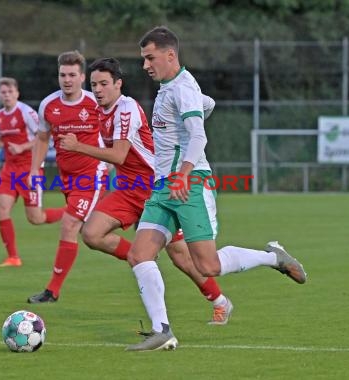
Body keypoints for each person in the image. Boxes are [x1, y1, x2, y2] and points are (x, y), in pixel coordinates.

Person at [125, 26, 307, 351]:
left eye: (150, 57)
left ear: (170, 55)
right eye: (143, 59)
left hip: (189, 184)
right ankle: (161, 330)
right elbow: (206, 103)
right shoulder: (174, 88)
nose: (145, 65)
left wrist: (183, 173)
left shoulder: (181, 88)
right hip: (163, 187)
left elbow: (199, 137)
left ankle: (272, 257)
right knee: (139, 255)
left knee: (208, 266)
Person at [59, 57, 233, 325]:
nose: (98, 89)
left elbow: (118, 155)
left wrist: (77, 147)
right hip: (129, 188)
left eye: (104, 83)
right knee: (92, 234)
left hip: (155, 186)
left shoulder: (126, 108)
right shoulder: (98, 110)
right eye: (94, 84)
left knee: (182, 258)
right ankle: (143, 256)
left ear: (118, 84)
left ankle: (220, 302)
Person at [26, 51, 108, 303]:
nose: (67, 80)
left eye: (72, 75)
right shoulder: (48, 105)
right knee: (92, 236)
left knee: (70, 225)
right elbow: (41, 138)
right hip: (67, 178)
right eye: (63, 75)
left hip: (92, 174)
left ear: (82, 77)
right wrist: (33, 170)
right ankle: (137, 255)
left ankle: (52, 291)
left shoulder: (95, 103)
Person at [0, 77, 65, 267]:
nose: (7, 95)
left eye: (10, 92)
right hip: (9, 169)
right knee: (2, 209)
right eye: (3, 92)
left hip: (29, 169)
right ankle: (13, 257)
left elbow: (44, 137)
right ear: (0, 95)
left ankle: (71, 213)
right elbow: (1, 141)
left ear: (17, 93)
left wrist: (23, 147)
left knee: (36, 218)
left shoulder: (27, 112)